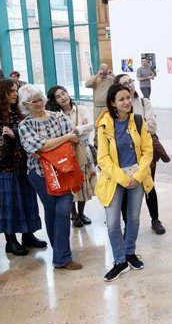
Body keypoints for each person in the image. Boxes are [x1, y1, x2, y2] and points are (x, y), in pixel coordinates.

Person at [18, 85, 82, 270]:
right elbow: (39, 147)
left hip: (64, 171)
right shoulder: (25, 125)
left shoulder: (58, 117)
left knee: (63, 210)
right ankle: (60, 254)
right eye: (33, 101)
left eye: (40, 99)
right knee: (52, 210)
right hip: (39, 173)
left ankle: (62, 256)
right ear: (26, 105)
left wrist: (55, 143)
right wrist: (64, 138)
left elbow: (74, 140)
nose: (38, 103)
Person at [95, 84, 153, 282]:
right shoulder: (104, 125)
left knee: (134, 219)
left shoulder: (137, 121)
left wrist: (137, 176)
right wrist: (123, 178)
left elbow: (147, 151)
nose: (127, 102)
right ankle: (119, 261)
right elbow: (102, 158)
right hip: (114, 177)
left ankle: (130, 253)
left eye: (128, 97)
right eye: (121, 99)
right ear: (113, 103)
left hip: (137, 175)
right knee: (112, 224)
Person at [0, 79, 45, 256]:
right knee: (9, 203)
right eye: (12, 91)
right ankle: (11, 241)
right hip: (4, 165)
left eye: (16, 90)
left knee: (27, 199)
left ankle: (28, 234)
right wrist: (16, 132)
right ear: (3, 93)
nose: (16, 94)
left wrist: (14, 132)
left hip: (23, 163)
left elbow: (23, 132)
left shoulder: (17, 112)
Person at [114, 74, 166, 234]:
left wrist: (132, 126)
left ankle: (155, 219)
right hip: (124, 156)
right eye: (125, 83)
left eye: (130, 81)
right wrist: (140, 124)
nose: (130, 85)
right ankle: (127, 223)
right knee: (124, 189)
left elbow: (152, 127)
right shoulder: (114, 108)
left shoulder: (144, 102)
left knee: (149, 186)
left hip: (145, 152)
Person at [46, 85, 96, 228]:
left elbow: (92, 125)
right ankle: (73, 214)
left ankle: (81, 213)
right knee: (71, 184)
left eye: (64, 93)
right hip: (66, 154)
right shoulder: (55, 115)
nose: (63, 97)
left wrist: (78, 130)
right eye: (58, 96)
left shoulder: (81, 109)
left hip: (83, 150)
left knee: (84, 183)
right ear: (55, 101)